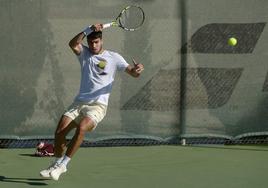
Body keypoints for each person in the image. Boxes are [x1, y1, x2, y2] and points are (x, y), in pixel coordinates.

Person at [39, 23, 144, 181]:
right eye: (90, 42)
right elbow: (72, 43)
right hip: (79, 103)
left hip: (98, 106)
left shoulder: (114, 58)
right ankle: (56, 163)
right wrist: (88, 29)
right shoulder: (84, 53)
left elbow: (133, 73)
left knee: (82, 128)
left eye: (96, 42)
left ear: (102, 41)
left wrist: (136, 71)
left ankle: (63, 165)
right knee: (59, 133)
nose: (93, 45)